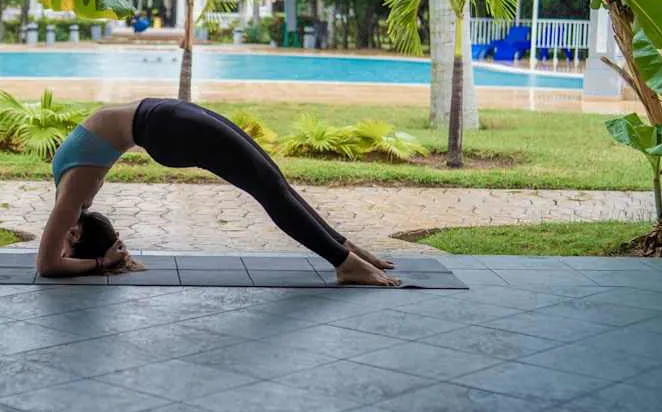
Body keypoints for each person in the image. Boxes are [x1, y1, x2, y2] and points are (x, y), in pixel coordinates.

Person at [36, 98, 400, 286]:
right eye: (71, 244)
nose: (63, 241)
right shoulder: (71, 201)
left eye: (66, 244)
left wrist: (102, 258)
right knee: (269, 190)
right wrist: (103, 262)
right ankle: (345, 265)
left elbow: (52, 259)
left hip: (162, 117)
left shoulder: (70, 202)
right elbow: (48, 266)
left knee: (273, 180)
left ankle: (344, 247)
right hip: (165, 127)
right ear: (79, 234)